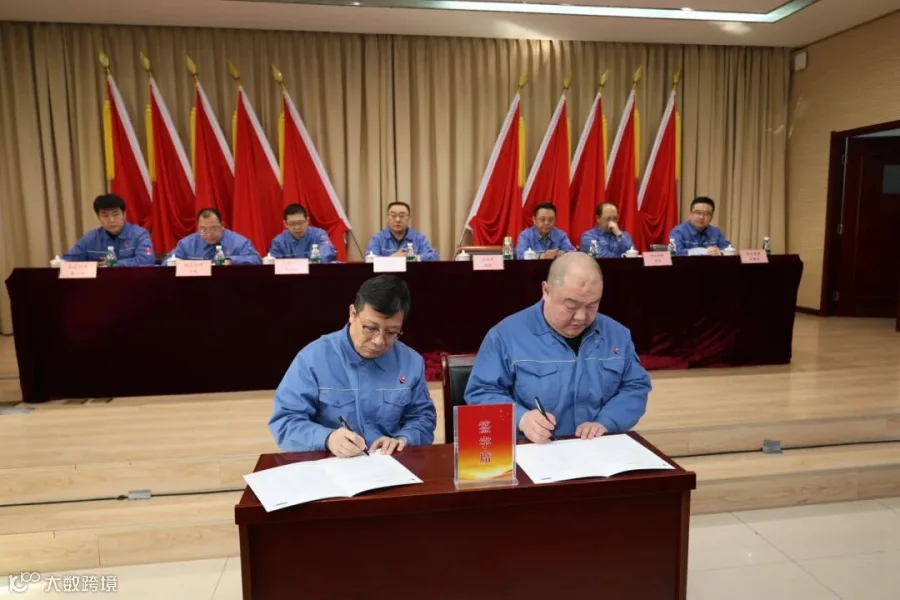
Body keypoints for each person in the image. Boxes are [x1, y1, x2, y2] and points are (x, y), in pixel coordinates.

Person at [465, 252, 651, 443]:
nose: (581, 317)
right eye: (571, 305)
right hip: (533, 448)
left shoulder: (617, 335)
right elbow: (481, 392)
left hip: (599, 447)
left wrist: (607, 422)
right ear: (546, 291)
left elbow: (636, 387)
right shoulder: (506, 336)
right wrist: (521, 419)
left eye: (591, 306)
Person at [269, 275, 437, 456]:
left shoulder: (410, 362)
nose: (379, 341)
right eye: (370, 328)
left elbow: (422, 418)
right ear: (352, 313)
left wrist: (403, 439)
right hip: (330, 463)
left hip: (388, 463)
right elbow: (285, 421)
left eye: (391, 332)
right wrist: (327, 438)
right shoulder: (313, 359)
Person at [62, 194, 154, 266]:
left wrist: (114, 264)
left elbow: (147, 260)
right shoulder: (90, 238)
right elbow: (68, 261)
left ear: (124, 214)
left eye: (116, 214)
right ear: (98, 217)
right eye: (105, 215)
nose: (111, 220)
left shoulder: (139, 235)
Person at [161, 208, 261, 265]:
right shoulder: (186, 244)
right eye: (203, 229)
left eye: (213, 228)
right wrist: (178, 264)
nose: (208, 234)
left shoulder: (239, 242)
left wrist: (231, 260)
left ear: (222, 225)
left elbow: (257, 259)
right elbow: (165, 263)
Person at [364, 202, 439, 261]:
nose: (397, 220)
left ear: (409, 218)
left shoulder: (419, 238)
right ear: (387, 218)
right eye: (393, 216)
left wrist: (414, 258)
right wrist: (392, 258)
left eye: (402, 216)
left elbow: (434, 256)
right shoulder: (378, 238)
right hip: (386, 275)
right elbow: (369, 259)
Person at [268, 204, 336, 262]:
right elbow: (274, 264)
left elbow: (327, 252)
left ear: (307, 220)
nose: (297, 227)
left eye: (300, 222)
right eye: (292, 223)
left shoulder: (319, 235)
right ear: (285, 223)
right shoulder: (278, 242)